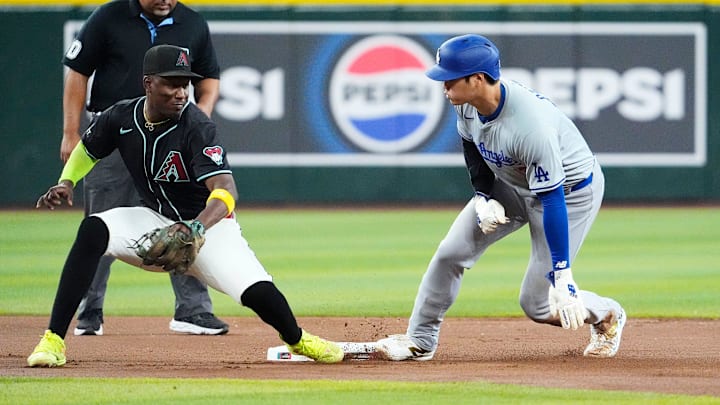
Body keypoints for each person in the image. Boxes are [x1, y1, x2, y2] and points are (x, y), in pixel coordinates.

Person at [27, 44, 345, 367]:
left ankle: (299, 340)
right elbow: (88, 149)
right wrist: (67, 181)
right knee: (93, 229)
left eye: (185, 84)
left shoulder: (197, 125)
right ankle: (52, 341)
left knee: (257, 293)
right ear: (148, 83)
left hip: (209, 228)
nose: (182, 93)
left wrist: (196, 228)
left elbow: (225, 189)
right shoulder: (122, 117)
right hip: (154, 221)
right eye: (172, 84)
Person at [376, 34, 626, 361]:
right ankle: (420, 340)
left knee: (537, 303)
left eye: (450, 79)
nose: (443, 86)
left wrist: (563, 276)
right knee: (450, 253)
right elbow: (472, 148)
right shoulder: (467, 104)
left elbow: (551, 200)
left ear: (477, 79)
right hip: (511, 184)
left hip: (570, 194)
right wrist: (483, 196)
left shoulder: (529, 126)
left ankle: (607, 314)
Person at [61, 0, 227, 335]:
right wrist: (70, 131)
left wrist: (201, 114)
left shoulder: (192, 23)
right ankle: (89, 311)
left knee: (182, 218)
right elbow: (78, 72)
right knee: (101, 224)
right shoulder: (108, 17)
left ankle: (192, 311)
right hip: (115, 133)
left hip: (172, 137)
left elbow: (209, 78)